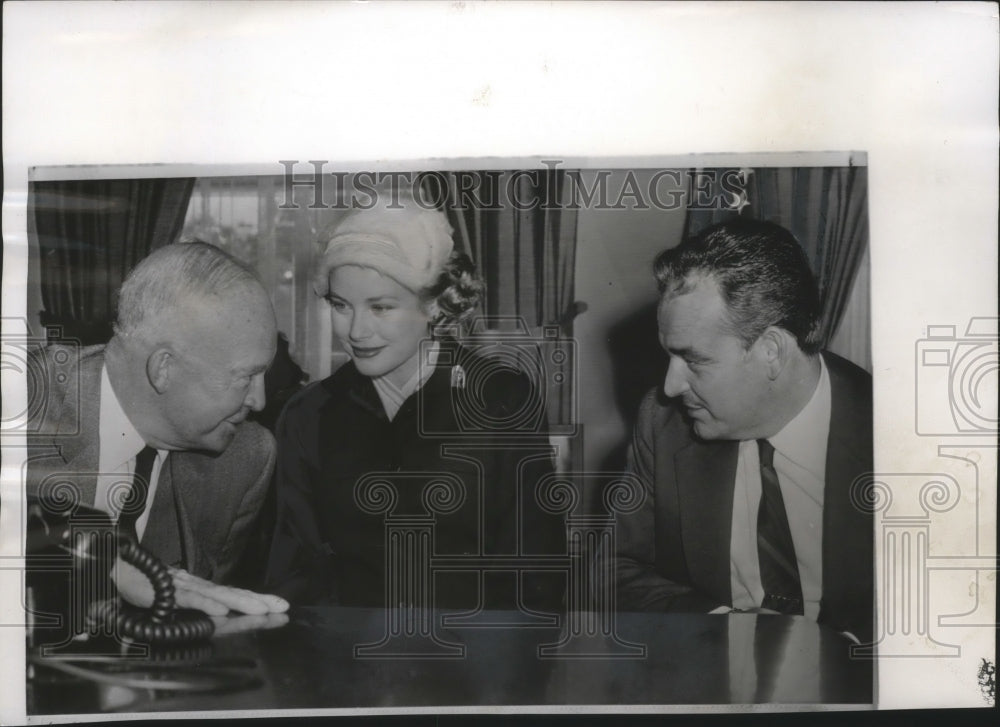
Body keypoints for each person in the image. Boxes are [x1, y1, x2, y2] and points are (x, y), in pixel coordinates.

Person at [265, 195, 565, 612]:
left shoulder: (501, 398)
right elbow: (294, 572)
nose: (356, 331)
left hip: (473, 660)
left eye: (381, 307)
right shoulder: (306, 414)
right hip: (341, 658)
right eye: (340, 305)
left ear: (434, 305)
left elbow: (534, 570)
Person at [597, 219, 873, 642]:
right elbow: (610, 574)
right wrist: (724, 622)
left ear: (771, 351)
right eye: (669, 357)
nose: (671, 386)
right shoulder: (663, 421)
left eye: (696, 360)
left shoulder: (893, 432)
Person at [26, 242, 288, 616]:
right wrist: (99, 564)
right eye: (245, 377)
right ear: (163, 368)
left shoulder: (245, 459)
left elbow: (202, 610)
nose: (259, 402)